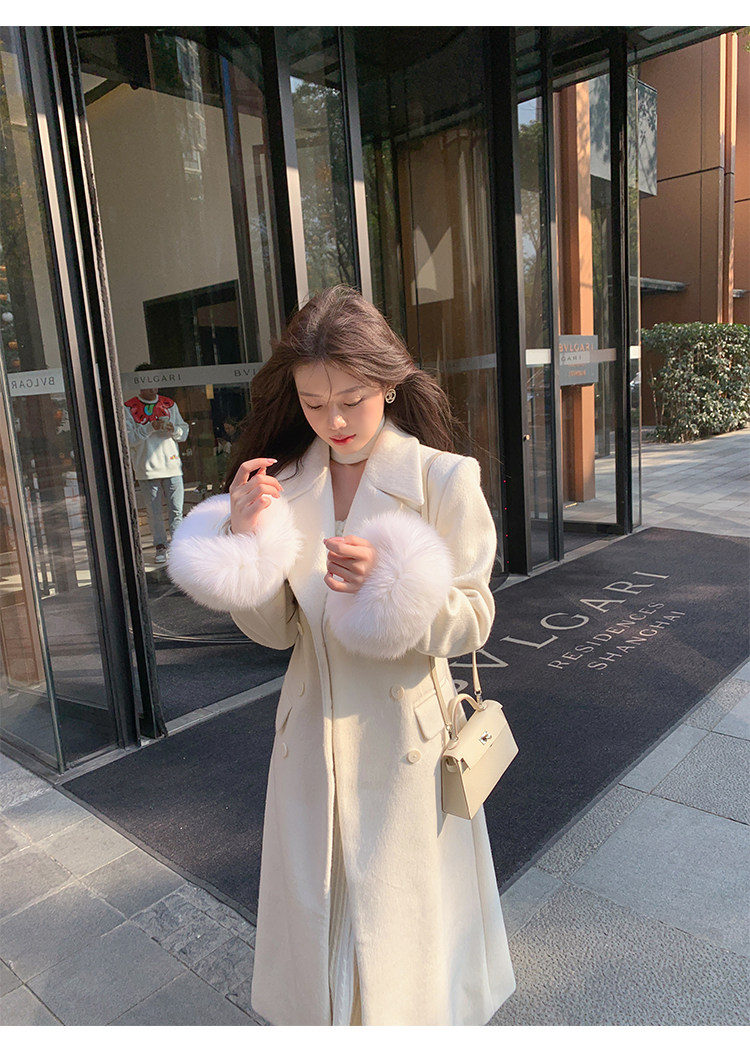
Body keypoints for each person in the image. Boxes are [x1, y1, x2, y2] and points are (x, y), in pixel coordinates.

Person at [167, 286, 515, 1026]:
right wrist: (247, 540)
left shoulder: (442, 479)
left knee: (404, 939)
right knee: (321, 922)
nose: (334, 421)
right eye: (314, 402)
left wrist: (394, 584)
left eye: (352, 400)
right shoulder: (285, 484)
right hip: (309, 738)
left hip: (406, 745)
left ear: (387, 383)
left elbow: (475, 618)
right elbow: (275, 633)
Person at [124, 365, 189, 564]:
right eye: (147, 383)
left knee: (176, 510)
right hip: (147, 467)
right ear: (139, 383)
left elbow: (183, 431)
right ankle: (160, 545)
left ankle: (177, 547)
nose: (153, 388)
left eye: (155, 383)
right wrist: (150, 427)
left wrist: (173, 430)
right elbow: (128, 438)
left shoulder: (169, 404)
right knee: (154, 512)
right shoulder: (129, 407)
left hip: (172, 465)